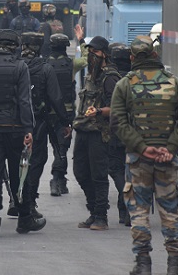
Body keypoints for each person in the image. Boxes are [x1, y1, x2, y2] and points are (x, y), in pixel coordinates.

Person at [111, 35, 178, 275]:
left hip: (138, 161)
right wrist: (170, 148)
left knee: (138, 211)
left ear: (132, 58)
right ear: (155, 55)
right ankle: (175, 264)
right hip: (168, 161)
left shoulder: (124, 85)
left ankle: (143, 264)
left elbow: (117, 122)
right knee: (170, 211)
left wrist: (141, 147)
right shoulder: (175, 84)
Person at [0, 29, 46, 237]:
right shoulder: (20, 67)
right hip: (15, 129)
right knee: (19, 175)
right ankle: (24, 219)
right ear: (15, 46)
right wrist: (28, 129)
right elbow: (25, 101)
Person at [20, 32, 71, 218]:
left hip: (12, 123)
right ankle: (29, 202)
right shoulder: (45, 69)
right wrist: (65, 121)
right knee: (36, 161)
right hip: (37, 123)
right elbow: (56, 98)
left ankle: (13, 200)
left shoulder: (13, 65)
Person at [72, 34, 120, 231]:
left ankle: (101, 216)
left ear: (105, 55)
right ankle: (93, 210)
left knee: (99, 175)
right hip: (83, 129)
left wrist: (99, 112)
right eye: (90, 52)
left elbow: (117, 107)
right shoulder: (90, 75)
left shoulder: (110, 78)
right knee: (80, 172)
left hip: (99, 132)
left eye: (96, 52)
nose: (92, 55)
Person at [47, 29, 87, 197]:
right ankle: (57, 179)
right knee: (62, 148)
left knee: (56, 146)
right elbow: (87, 58)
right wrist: (81, 40)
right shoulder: (72, 64)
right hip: (67, 112)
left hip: (47, 113)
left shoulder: (43, 63)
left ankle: (60, 180)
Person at [107, 42, 131, 227]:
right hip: (136, 133)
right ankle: (125, 209)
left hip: (115, 132)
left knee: (115, 168)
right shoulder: (137, 78)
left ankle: (126, 202)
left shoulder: (110, 79)